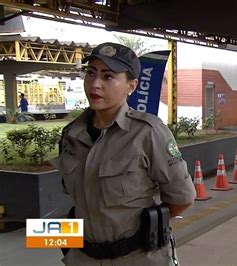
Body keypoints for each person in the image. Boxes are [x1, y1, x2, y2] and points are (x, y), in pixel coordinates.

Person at [53, 42, 196, 265]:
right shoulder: (72, 134)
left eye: (108, 76)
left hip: (138, 257)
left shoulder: (148, 133)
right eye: (91, 73)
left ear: (131, 85)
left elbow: (182, 198)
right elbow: (77, 199)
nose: (95, 84)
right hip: (82, 257)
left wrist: (150, 228)